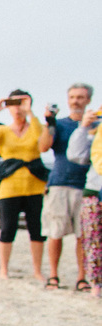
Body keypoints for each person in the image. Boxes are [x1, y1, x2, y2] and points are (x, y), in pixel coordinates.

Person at [0, 90, 48, 282]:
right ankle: (4, 268)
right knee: (7, 228)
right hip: (9, 186)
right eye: (14, 104)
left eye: (22, 103)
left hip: (34, 185)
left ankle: (37, 270)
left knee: (36, 228)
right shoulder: (3, 130)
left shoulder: (35, 126)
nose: (18, 108)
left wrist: (31, 114)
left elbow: (40, 141)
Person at [38, 83, 93, 289]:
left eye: (80, 97)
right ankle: (53, 275)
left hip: (86, 185)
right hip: (59, 182)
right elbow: (43, 147)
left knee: (84, 234)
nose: (76, 101)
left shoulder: (96, 124)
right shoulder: (59, 124)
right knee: (55, 233)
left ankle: (82, 277)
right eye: (72, 97)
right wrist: (49, 122)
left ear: (88, 100)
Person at [66, 108, 100, 293]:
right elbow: (76, 155)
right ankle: (96, 284)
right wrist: (84, 127)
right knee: (93, 240)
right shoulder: (96, 130)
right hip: (95, 189)